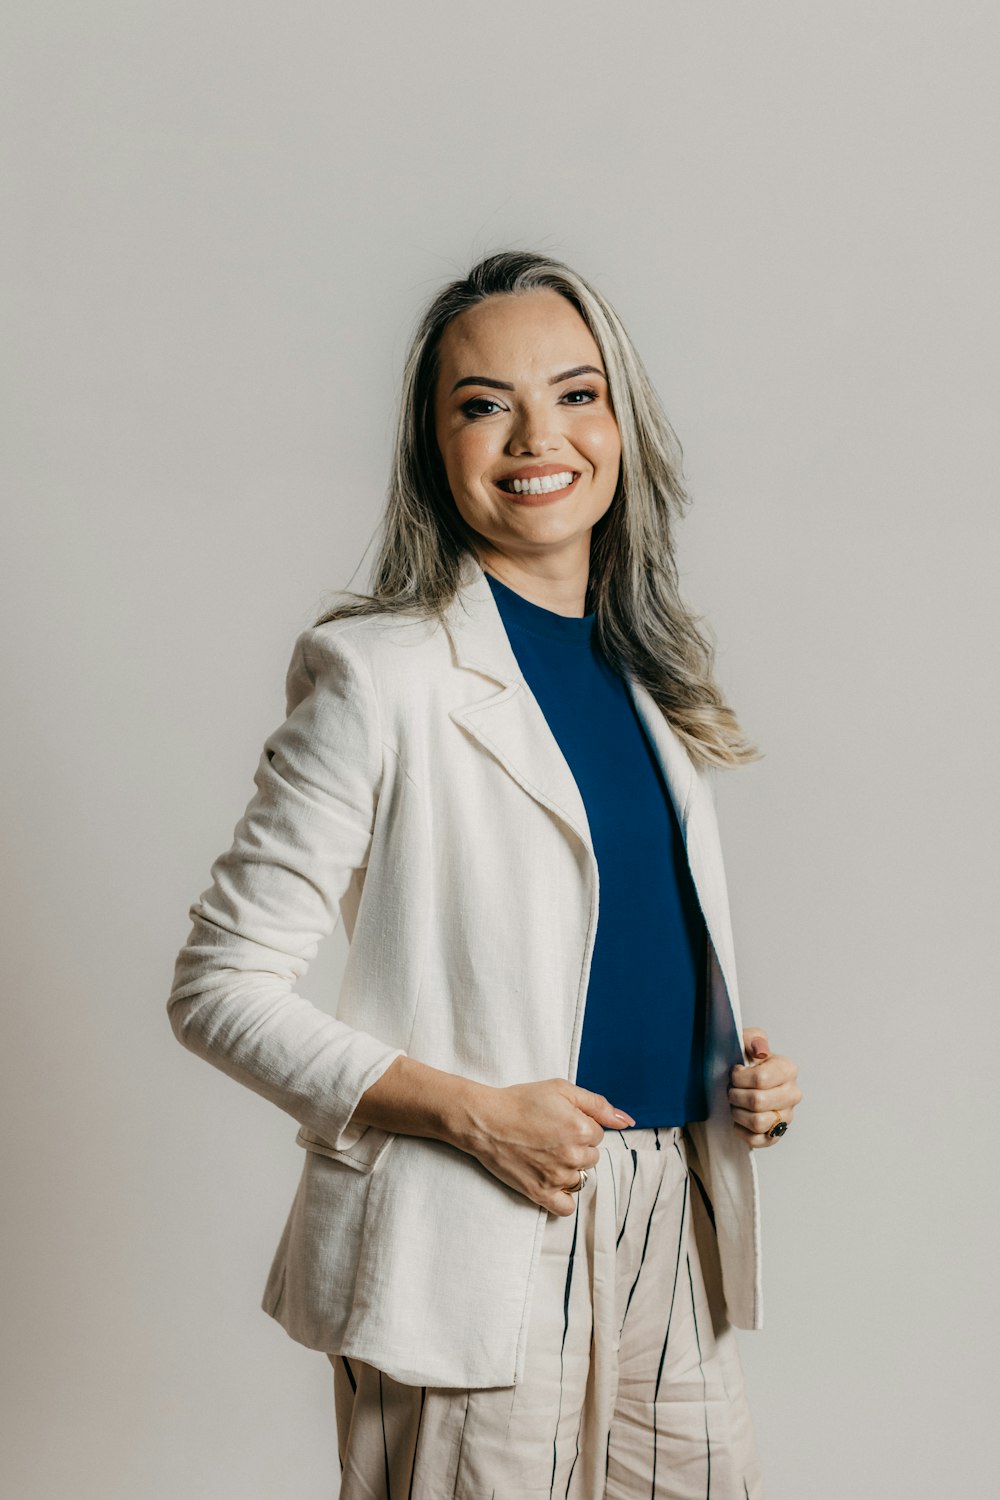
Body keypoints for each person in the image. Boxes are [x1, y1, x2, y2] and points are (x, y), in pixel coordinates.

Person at [167, 248, 802, 1499]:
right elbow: (215, 988)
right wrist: (470, 1114)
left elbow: (600, 945)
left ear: (621, 424)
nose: (535, 436)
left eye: (575, 393)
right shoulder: (376, 673)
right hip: (473, 1230)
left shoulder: (648, 683)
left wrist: (738, 1070)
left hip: (673, 1212)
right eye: (482, 404)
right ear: (433, 445)